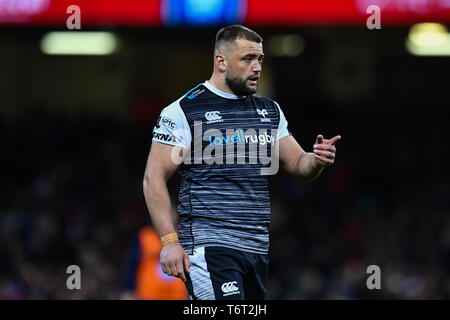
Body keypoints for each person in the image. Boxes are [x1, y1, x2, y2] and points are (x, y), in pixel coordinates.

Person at [143, 25, 341, 300]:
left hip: (255, 248)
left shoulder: (269, 110)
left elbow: (298, 164)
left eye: (259, 59)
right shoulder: (183, 111)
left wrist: (316, 160)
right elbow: (153, 178)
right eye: (247, 59)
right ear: (221, 61)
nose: (257, 66)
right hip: (208, 245)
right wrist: (169, 241)